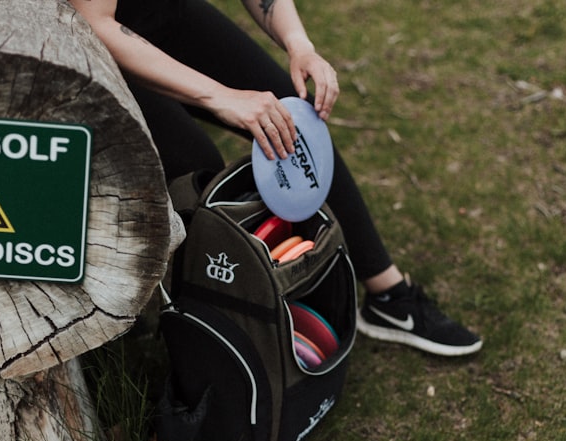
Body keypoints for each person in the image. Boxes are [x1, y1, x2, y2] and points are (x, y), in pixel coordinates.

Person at [68, 0, 482, 356]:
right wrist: (220, 96)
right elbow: (95, 21)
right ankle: (207, 344)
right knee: (193, 170)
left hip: (161, 11)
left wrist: (299, 44)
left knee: (294, 121)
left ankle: (388, 296)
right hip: (75, 38)